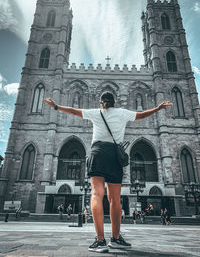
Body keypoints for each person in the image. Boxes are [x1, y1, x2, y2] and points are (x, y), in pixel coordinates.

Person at [43, 92, 172, 253]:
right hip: (115, 155)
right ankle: (116, 238)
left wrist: (56, 106)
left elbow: (74, 111)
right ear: (114, 102)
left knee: (97, 194)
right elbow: (141, 115)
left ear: (101, 102)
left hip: (98, 152)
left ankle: (100, 240)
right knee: (115, 199)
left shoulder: (97, 113)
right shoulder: (122, 112)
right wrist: (158, 108)